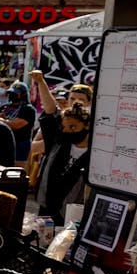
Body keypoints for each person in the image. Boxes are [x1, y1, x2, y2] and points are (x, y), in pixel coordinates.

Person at [28, 70, 91, 224]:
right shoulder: (59, 138)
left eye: (73, 128)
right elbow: (50, 110)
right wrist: (41, 82)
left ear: (87, 126)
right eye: (65, 127)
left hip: (75, 214)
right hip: (47, 207)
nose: (67, 131)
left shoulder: (96, 150)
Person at [0, 82, 36, 166]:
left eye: (15, 93)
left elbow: (15, 125)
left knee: (16, 171)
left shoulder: (28, 109)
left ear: (23, 94)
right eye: (10, 92)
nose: (12, 94)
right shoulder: (4, 107)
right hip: (3, 144)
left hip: (20, 145)